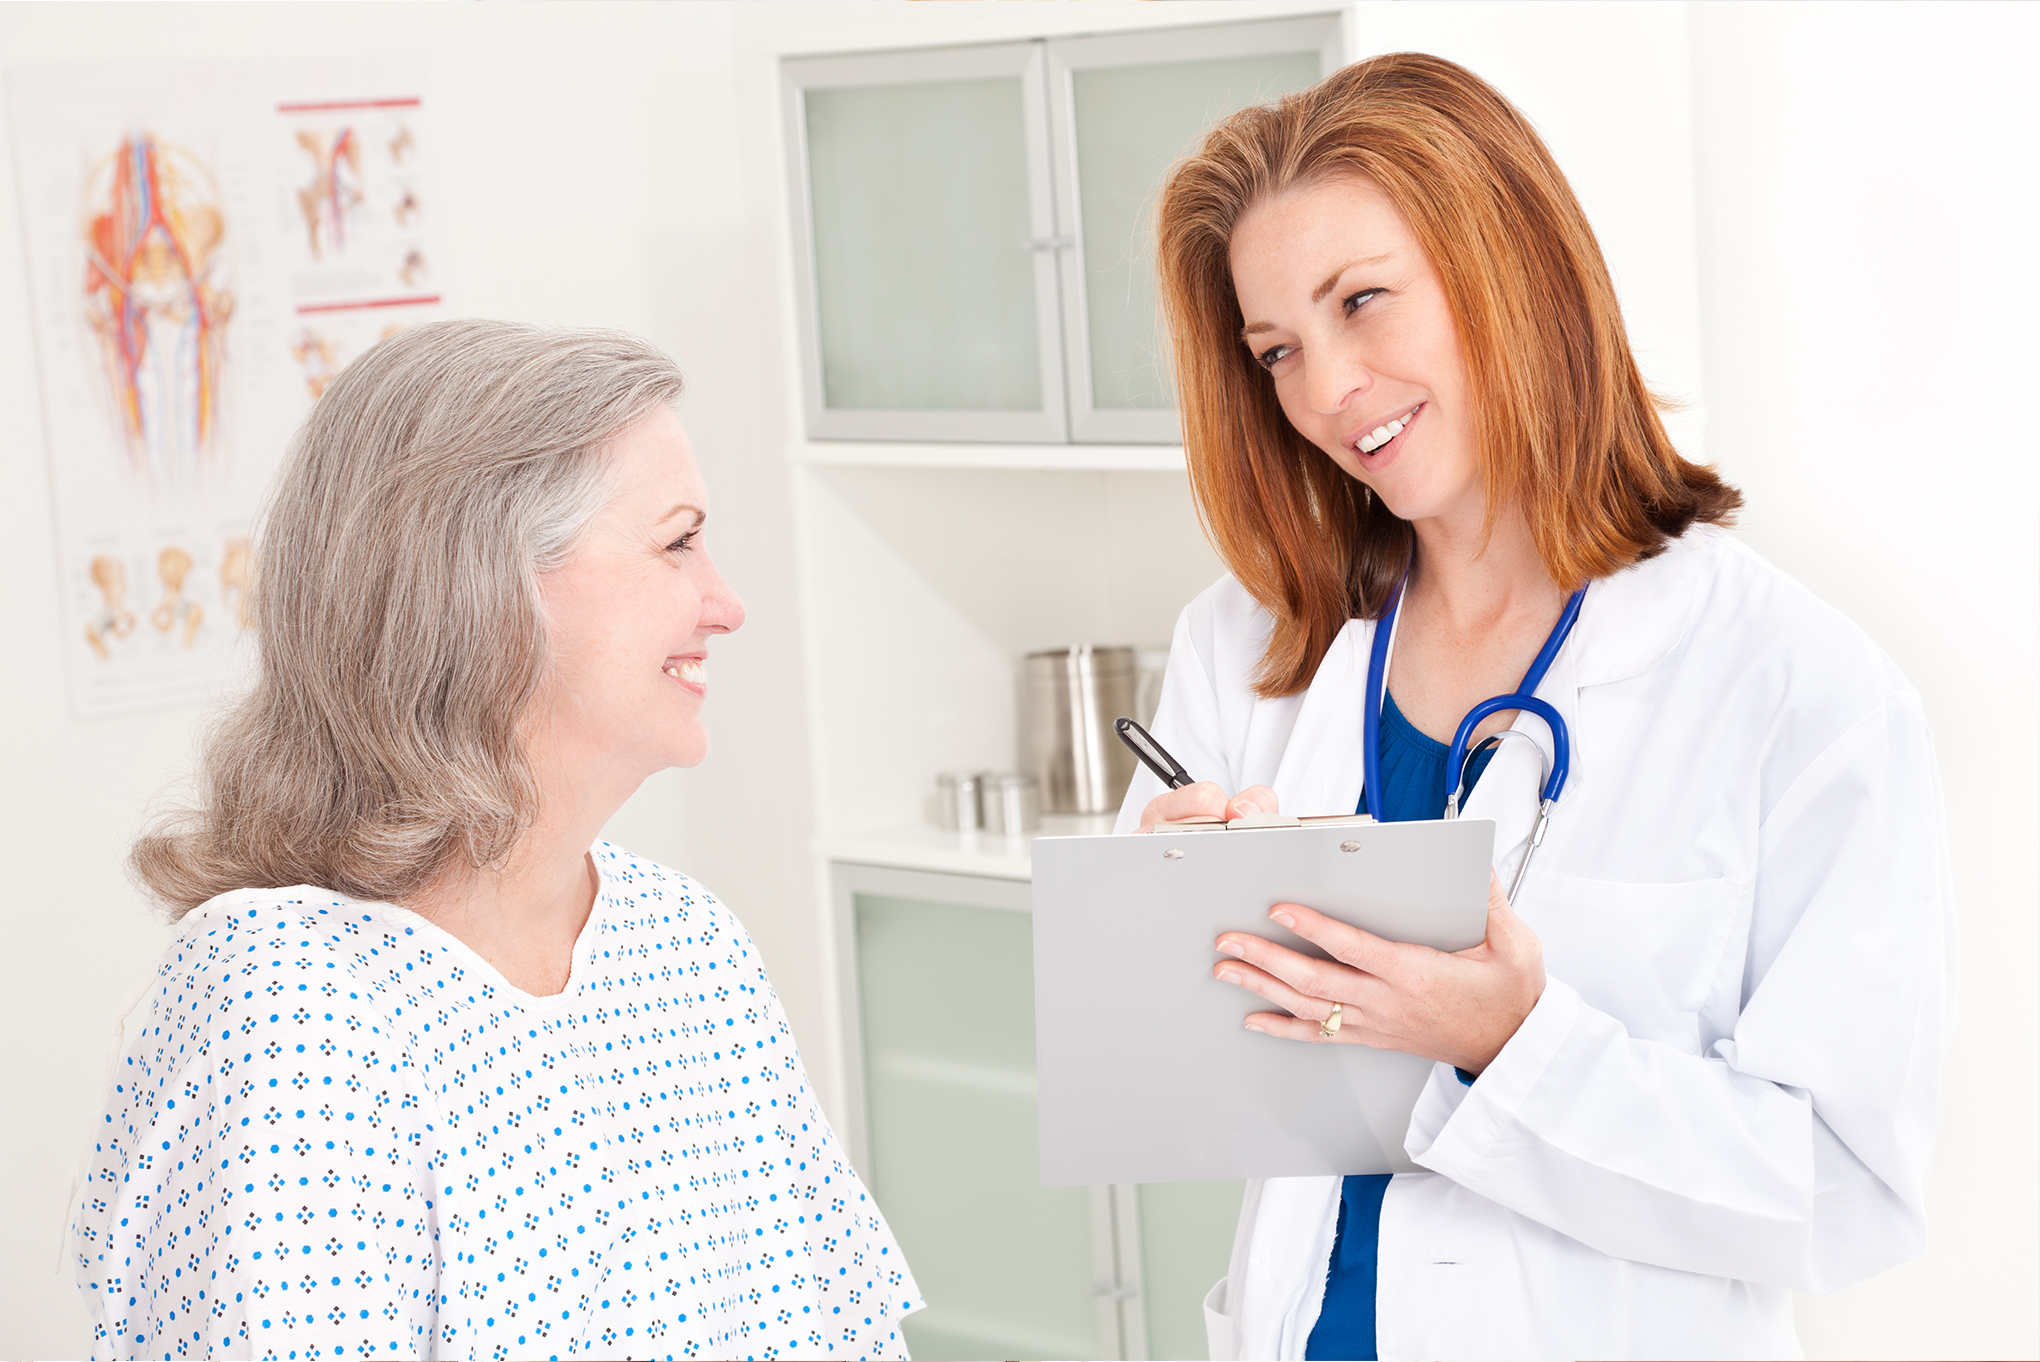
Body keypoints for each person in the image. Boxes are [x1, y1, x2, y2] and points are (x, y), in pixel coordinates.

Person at [1122, 54, 1953, 1361]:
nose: (1327, 390)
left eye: (1365, 302)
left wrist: (1518, 1045)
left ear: (1508, 268)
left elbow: (1845, 1190)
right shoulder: (1249, 647)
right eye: (1278, 350)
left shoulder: (1798, 690)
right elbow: (1181, 1070)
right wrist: (1165, 920)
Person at [72, 320, 922, 1361]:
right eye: (677, 541)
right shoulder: (288, 1001)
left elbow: (847, 1335)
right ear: (484, 589)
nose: (726, 604)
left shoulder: (688, 946)